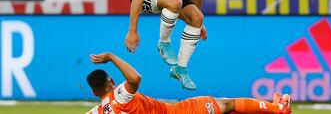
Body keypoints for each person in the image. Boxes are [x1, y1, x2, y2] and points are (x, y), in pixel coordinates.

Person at [86, 52, 292, 114]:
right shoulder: (119, 95)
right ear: (111, 81)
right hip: (181, 112)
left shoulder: (98, 111)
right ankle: (278, 109)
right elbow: (135, 78)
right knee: (225, 104)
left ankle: (273, 109)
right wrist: (112, 57)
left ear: (94, 92)